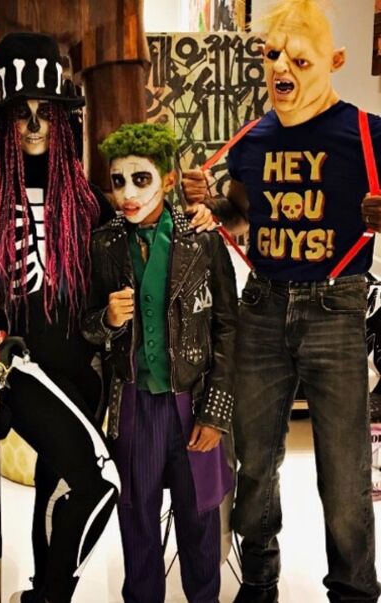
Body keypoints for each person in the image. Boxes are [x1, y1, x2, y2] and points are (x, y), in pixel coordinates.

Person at [182, 0, 381, 600]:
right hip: (262, 305)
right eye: (273, 56)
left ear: (334, 62)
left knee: (344, 475)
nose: (281, 69)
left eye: (299, 59)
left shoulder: (367, 133)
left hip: (336, 309)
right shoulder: (254, 137)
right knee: (255, 465)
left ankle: (353, 591)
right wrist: (211, 206)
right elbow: (243, 216)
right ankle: (259, 580)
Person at [0, 32, 121, 603]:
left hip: (81, 369)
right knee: (98, 480)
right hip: (18, 368)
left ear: (62, 121)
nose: (35, 125)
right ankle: (50, 596)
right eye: (22, 113)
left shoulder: (89, 201)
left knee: (58, 485)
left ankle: (45, 591)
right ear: (5, 123)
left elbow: (110, 291)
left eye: (45, 112)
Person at [81, 123, 237, 603]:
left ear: (168, 180)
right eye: (118, 181)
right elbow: (86, 327)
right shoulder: (104, 243)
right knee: (137, 520)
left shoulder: (202, 240)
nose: (128, 194)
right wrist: (107, 320)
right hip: (133, 404)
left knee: (200, 520)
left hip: (193, 402)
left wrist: (216, 410)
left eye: (141, 179)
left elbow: (229, 328)